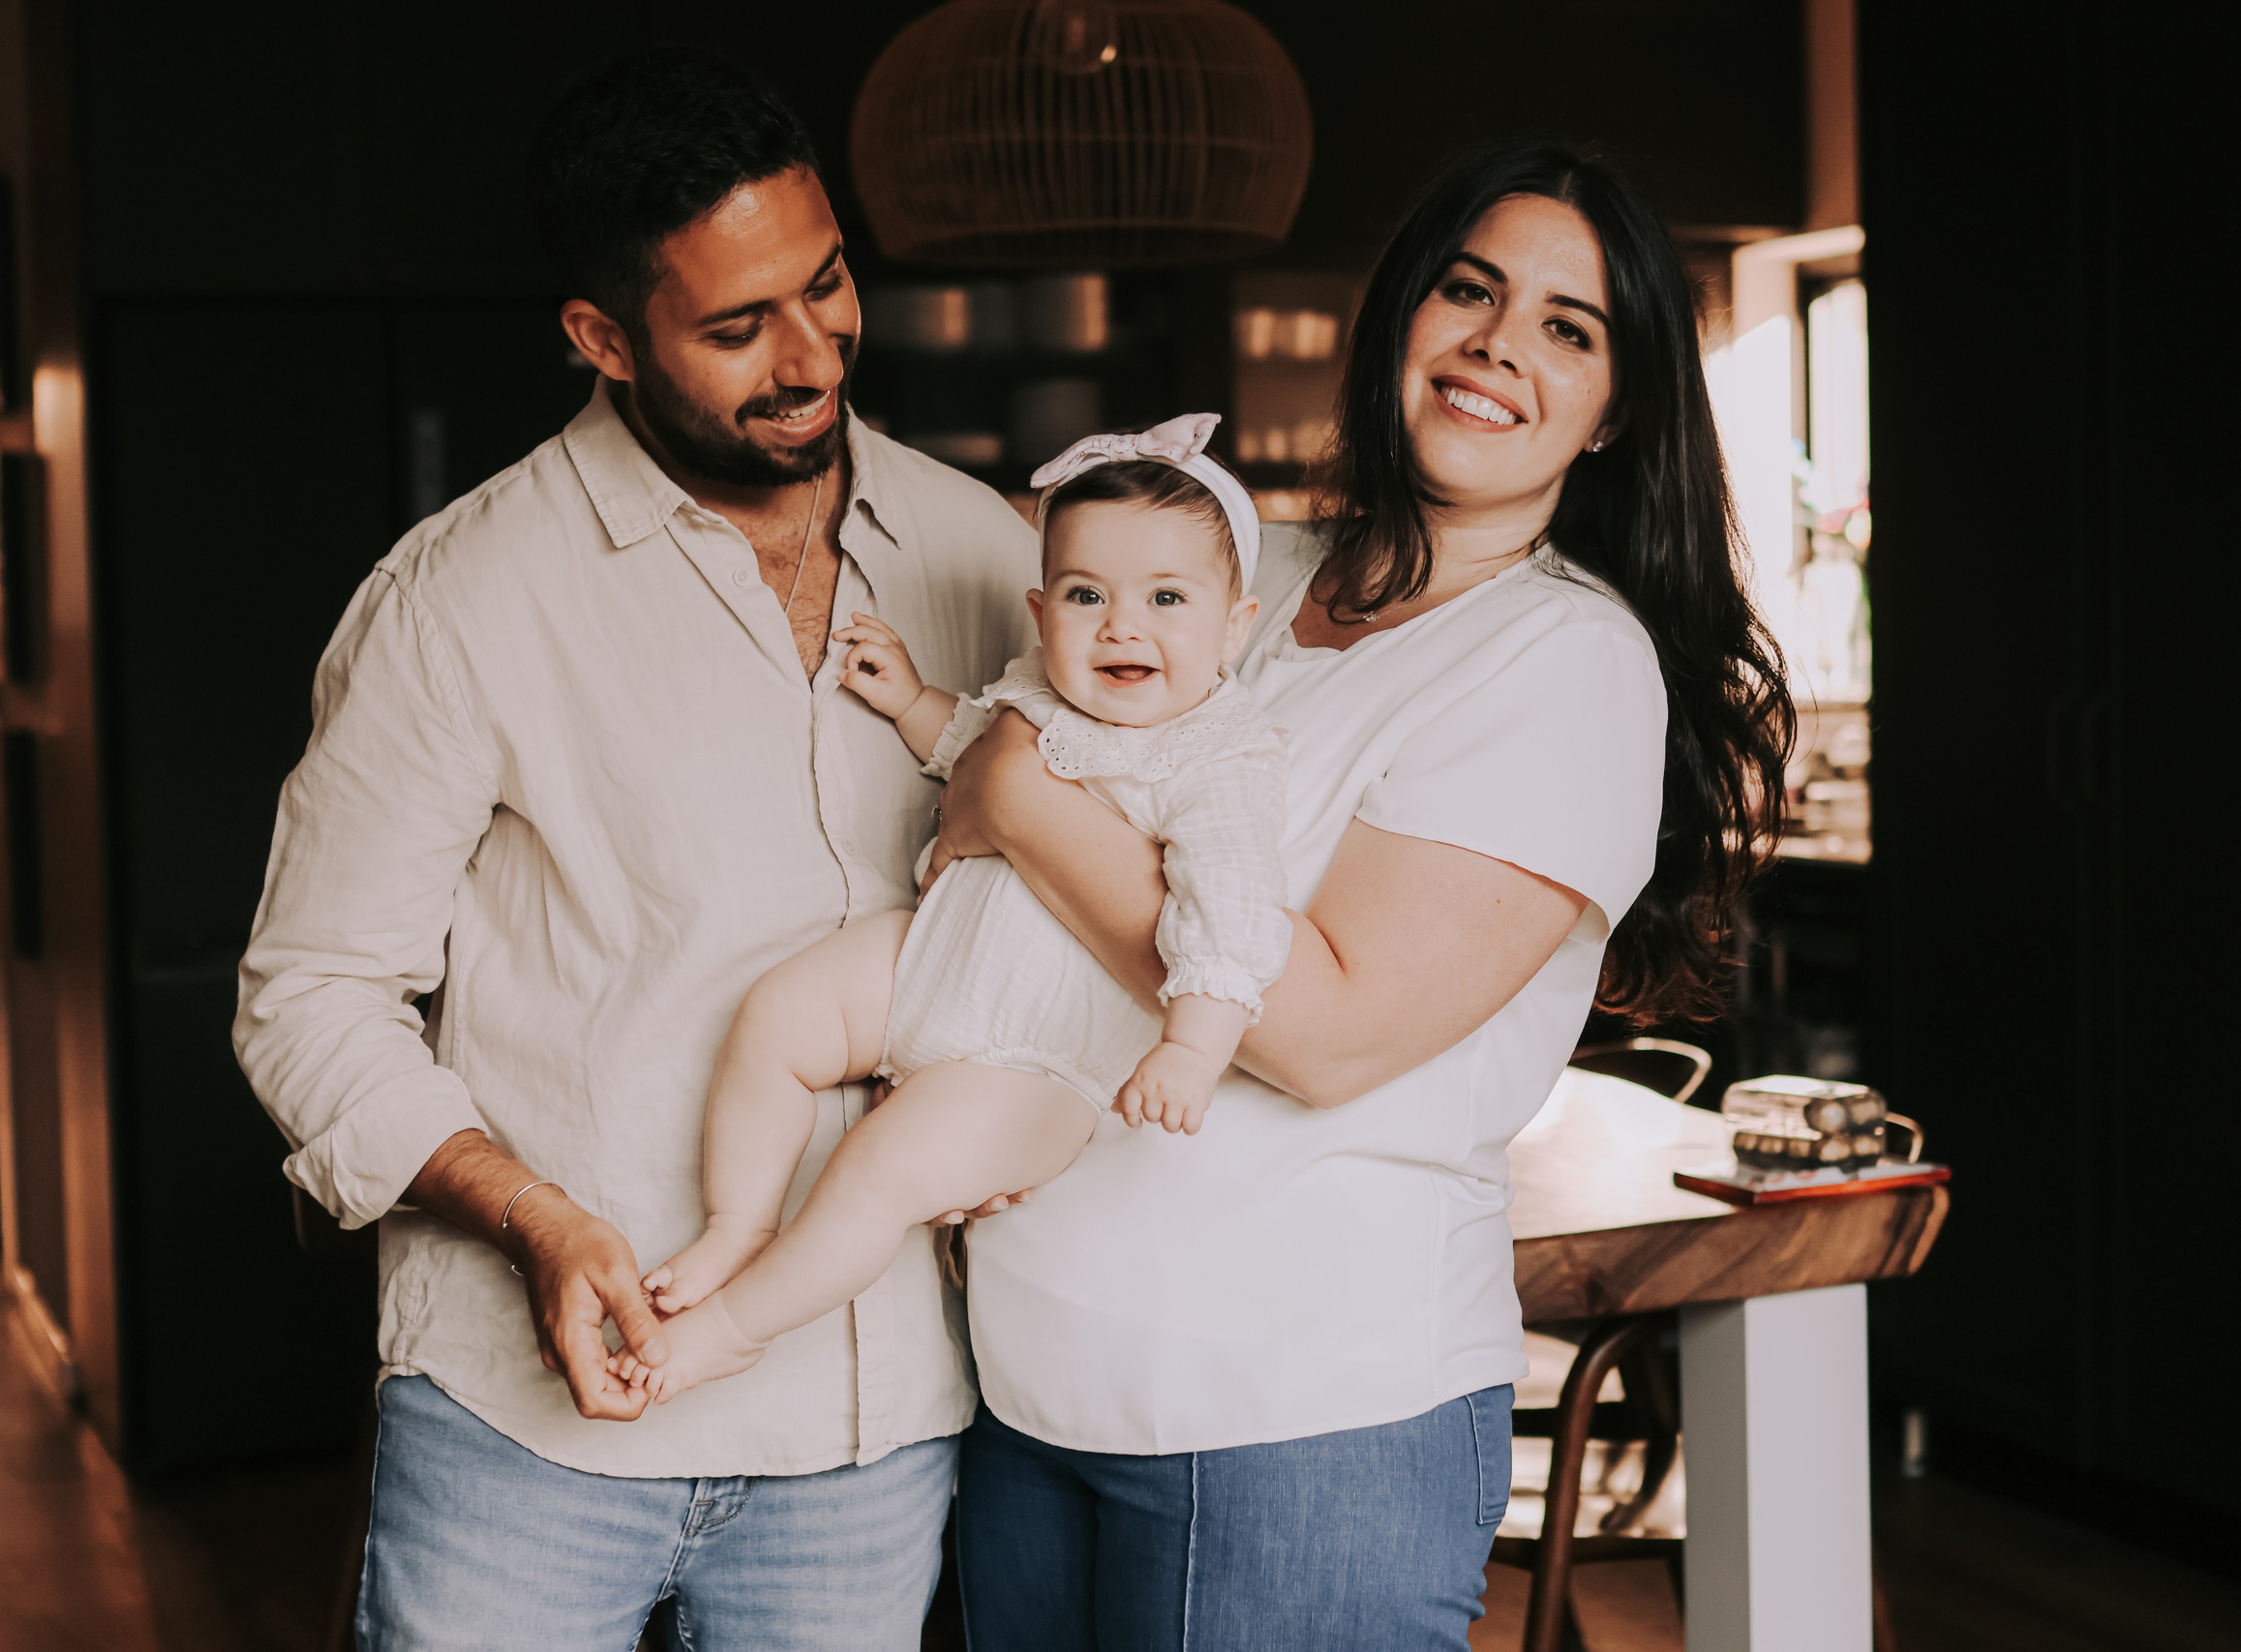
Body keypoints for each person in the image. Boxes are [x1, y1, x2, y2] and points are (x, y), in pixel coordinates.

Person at [935, 138, 1794, 1649]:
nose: (1498, 345)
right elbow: (991, 724)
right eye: (1470, 291)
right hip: (1025, 1385)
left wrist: (1016, 792)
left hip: (1298, 1422)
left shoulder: (1565, 660)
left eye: (1568, 328)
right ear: (1402, 314)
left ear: (1616, 410)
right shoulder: (1246, 567)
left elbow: (1323, 1026)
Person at [231, 51, 1036, 1649]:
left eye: (827, 285)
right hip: (523, 1441)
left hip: (874, 1430)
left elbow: (1068, 900)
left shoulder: (991, 553)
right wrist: (530, 1216)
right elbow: (310, 996)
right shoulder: (458, 598)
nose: (811, 355)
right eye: (739, 327)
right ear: (602, 339)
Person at [614, 416, 1288, 1403]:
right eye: (1086, 595)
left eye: (1167, 598)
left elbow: (1233, 915)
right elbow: (969, 750)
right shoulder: (1042, 695)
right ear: (1041, 610)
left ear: (1234, 625)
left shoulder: (1220, 757)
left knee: (875, 1168)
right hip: (935, 961)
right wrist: (910, 701)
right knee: (778, 1013)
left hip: (1036, 1063)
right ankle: (738, 1224)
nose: (1121, 626)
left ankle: (731, 1329)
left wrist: (1192, 1047)